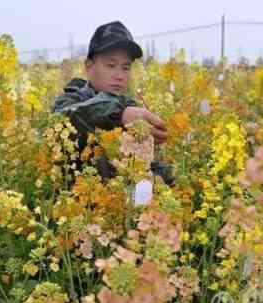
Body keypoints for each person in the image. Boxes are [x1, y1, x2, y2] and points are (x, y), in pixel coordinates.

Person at [52, 21, 175, 186]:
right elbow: (64, 117)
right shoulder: (70, 101)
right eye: (111, 65)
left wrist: (166, 177)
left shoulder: (131, 108)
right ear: (89, 67)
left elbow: (142, 167)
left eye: (126, 67)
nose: (120, 76)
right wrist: (119, 114)